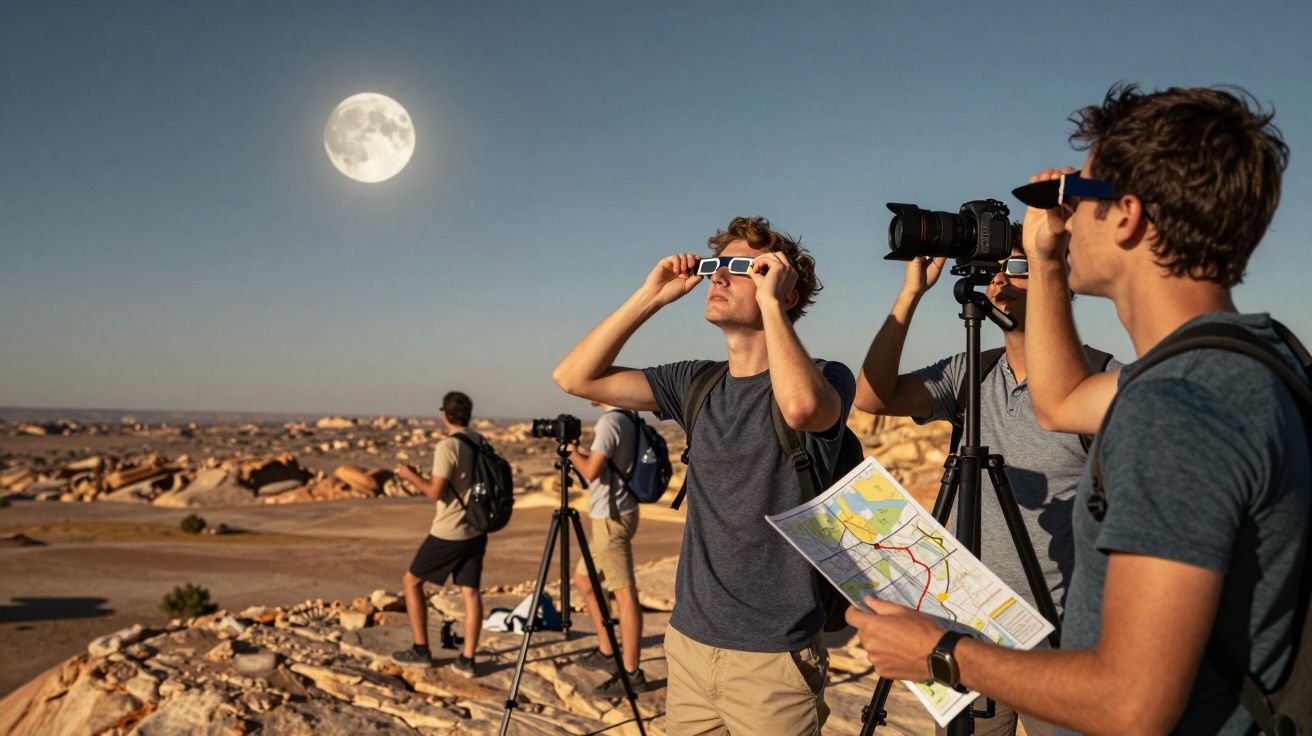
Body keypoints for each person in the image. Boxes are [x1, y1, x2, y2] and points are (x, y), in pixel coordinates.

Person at [846, 84, 1307, 735]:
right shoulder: (1244, 358)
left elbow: (1129, 705)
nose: (1059, 216)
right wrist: (1046, 259)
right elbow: (1059, 404)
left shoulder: (1177, 408)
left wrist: (942, 652)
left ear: (1126, 215)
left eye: (1076, 198)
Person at [553, 216, 855, 735]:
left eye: (740, 268)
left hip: (773, 660)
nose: (717, 277)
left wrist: (770, 305)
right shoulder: (695, 381)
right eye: (716, 265)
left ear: (782, 288)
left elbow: (803, 408)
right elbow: (574, 377)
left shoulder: (828, 375)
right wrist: (651, 296)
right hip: (689, 645)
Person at [855, 242, 1118, 736]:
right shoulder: (970, 372)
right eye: (993, 271)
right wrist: (910, 295)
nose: (999, 281)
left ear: (1055, 277)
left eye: (1018, 267)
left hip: (1061, 642)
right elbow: (872, 396)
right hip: (966, 629)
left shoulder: (1100, 380)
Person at [390, 391, 487, 678]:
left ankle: (421, 650)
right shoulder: (479, 441)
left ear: (444, 414)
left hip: (450, 530)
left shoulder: (448, 446)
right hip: (477, 528)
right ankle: (467, 660)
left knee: (411, 582)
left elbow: (436, 492)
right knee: (470, 592)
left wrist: (410, 476)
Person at [564, 401, 645, 695]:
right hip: (611, 516)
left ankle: (632, 672)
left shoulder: (610, 422)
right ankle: (607, 650)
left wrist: (571, 452)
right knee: (584, 581)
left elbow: (591, 472)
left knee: (624, 595)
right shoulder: (628, 417)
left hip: (611, 520)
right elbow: (608, 464)